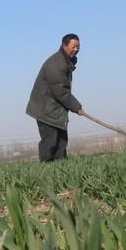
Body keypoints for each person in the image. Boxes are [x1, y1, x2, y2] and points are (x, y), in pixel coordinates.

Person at [25, 33, 84, 162]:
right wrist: (77, 107)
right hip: (45, 109)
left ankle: (62, 169)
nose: (76, 49)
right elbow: (61, 92)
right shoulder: (56, 64)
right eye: (73, 46)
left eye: (78, 47)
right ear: (64, 45)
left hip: (55, 108)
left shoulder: (65, 61)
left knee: (61, 142)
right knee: (50, 142)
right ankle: (46, 171)